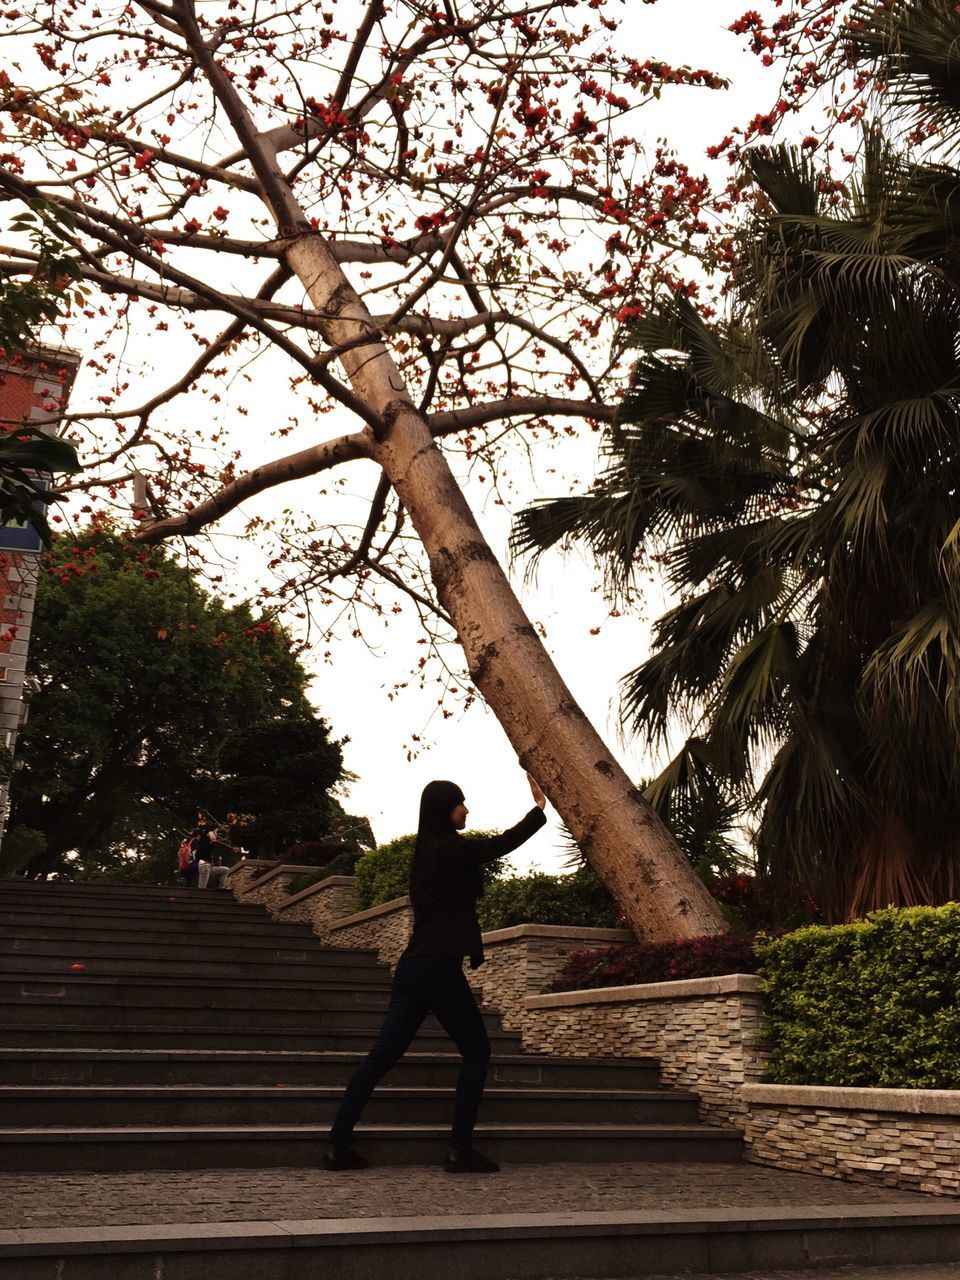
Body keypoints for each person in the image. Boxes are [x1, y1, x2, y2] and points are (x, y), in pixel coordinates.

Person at [323, 771, 547, 1175]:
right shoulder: (446, 849)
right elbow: (497, 847)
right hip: (437, 968)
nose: (466, 809)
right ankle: (460, 1150)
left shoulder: (427, 854)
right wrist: (538, 810)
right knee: (477, 1052)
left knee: (380, 1058)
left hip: (412, 968)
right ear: (445, 809)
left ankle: (337, 1145)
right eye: (460, 803)